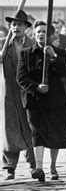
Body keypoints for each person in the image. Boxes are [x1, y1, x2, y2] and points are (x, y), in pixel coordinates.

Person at [17, 21, 66, 182]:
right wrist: (37, 87)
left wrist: (53, 56)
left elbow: (64, 72)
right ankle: (39, 168)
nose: (41, 34)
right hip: (35, 100)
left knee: (55, 134)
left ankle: (53, 166)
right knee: (37, 133)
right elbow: (21, 78)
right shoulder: (26, 53)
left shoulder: (59, 52)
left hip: (55, 100)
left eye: (44, 32)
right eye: (38, 31)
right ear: (34, 33)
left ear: (50, 35)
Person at [1, 10, 36, 180]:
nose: (16, 27)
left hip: (28, 93)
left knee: (30, 127)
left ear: (26, 27)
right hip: (9, 94)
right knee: (10, 129)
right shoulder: (3, 45)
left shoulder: (33, 45)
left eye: (19, 24)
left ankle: (33, 164)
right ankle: (10, 167)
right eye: (13, 24)